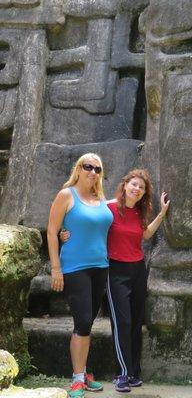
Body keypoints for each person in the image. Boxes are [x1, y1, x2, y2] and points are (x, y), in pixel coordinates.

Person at [62, 169, 170, 393]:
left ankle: (134, 373)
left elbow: (146, 235)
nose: (137, 189)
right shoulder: (108, 207)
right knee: (122, 322)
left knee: (136, 321)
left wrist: (162, 212)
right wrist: (65, 232)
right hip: (115, 270)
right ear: (124, 185)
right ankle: (122, 374)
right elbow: (87, 220)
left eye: (141, 187)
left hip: (138, 269)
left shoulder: (140, 212)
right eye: (133, 184)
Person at [47, 153, 113, 398]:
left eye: (98, 168)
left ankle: (83, 373)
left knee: (87, 322)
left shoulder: (100, 199)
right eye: (88, 167)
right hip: (75, 268)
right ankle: (77, 379)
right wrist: (56, 268)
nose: (93, 172)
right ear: (78, 169)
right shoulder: (67, 195)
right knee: (83, 321)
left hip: (100, 267)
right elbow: (53, 232)